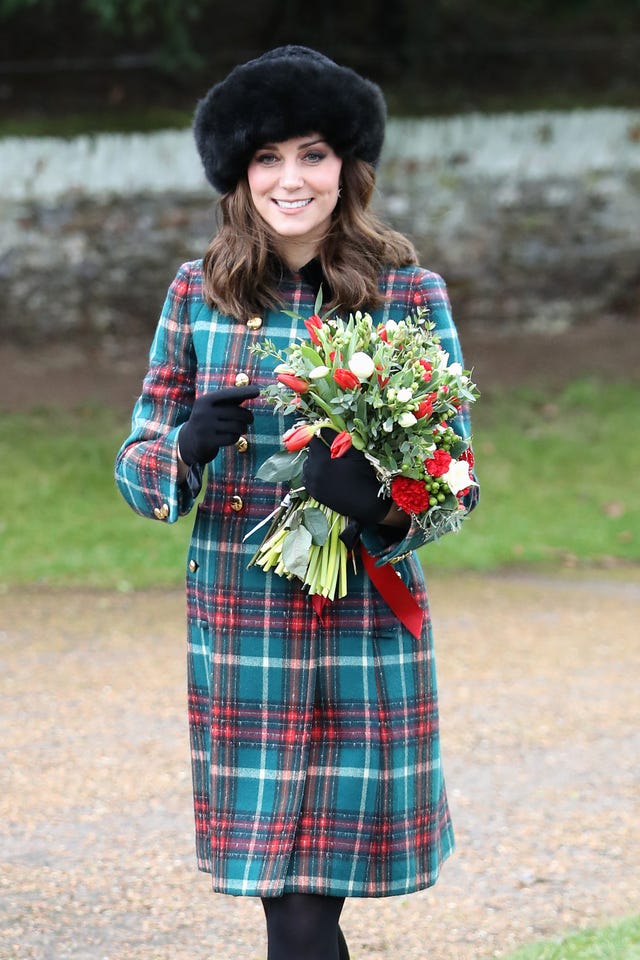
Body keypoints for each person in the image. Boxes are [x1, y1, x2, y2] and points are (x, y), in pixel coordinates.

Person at [115, 45, 479, 960]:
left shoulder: (409, 293)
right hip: (246, 628)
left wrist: (379, 502)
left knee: (311, 905)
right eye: (268, 158)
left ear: (347, 167)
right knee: (293, 904)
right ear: (239, 174)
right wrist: (184, 446)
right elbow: (139, 468)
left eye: (313, 154)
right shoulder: (196, 293)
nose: (291, 179)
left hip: (363, 625)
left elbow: (456, 482)